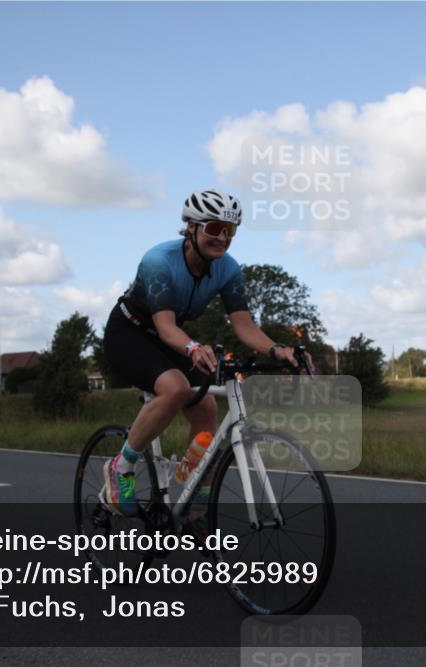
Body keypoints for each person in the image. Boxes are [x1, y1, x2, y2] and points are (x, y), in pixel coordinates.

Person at [101, 189, 311, 518]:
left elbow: (243, 325)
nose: (223, 238)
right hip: (130, 333)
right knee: (176, 388)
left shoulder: (227, 270)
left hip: (171, 337)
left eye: (230, 231)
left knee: (207, 407)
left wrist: (278, 350)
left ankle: (194, 498)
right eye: (215, 228)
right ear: (192, 228)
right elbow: (166, 325)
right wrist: (193, 348)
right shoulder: (159, 261)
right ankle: (120, 466)